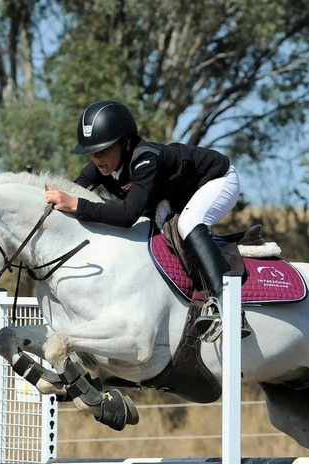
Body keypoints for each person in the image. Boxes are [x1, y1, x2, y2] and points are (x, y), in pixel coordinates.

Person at [45, 99, 249, 340]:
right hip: (175, 195)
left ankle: (229, 308)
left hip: (217, 180)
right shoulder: (100, 168)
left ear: (126, 142)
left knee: (188, 223)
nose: (97, 158)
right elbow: (73, 194)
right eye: (91, 152)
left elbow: (127, 215)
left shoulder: (146, 160)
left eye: (103, 149)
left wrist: (77, 204)